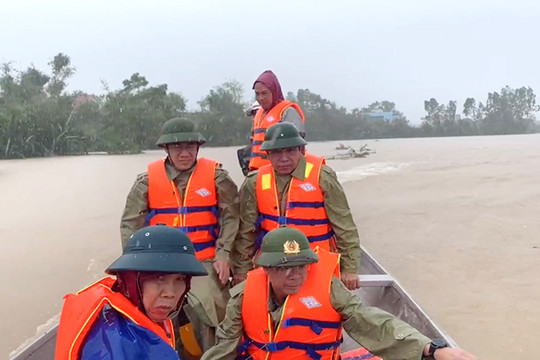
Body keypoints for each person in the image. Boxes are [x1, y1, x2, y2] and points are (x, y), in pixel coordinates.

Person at [202, 227, 478, 360]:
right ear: (265, 269)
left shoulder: (329, 287)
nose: (294, 275)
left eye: (301, 266)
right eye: (284, 268)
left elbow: (369, 321)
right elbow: (223, 348)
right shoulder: (242, 295)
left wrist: (431, 347)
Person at [120, 117, 239, 350]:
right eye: (177, 147)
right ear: (166, 149)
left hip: (204, 259)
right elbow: (129, 225)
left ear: (198, 148)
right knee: (153, 308)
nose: (184, 153)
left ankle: (211, 352)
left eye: (190, 147)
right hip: (161, 262)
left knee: (212, 310)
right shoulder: (145, 182)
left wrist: (224, 254)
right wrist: (134, 265)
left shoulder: (218, 178)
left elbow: (232, 217)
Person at [234, 122, 361, 290]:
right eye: (277, 152)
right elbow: (246, 233)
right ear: (268, 154)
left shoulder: (323, 177)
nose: (284, 158)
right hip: (273, 264)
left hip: (315, 262)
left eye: (290, 150)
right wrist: (242, 269)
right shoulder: (254, 182)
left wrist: (350, 269)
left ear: (301, 151)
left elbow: (345, 227)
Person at [55, 225, 208, 360]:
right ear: (130, 281)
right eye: (159, 278)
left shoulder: (134, 314)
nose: (170, 293)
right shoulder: (116, 343)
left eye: (180, 279)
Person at [249, 70, 306, 171]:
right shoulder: (258, 114)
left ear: (274, 92)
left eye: (264, 93)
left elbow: (298, 147)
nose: (260, 98)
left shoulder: (287, 112)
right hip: (258, 171)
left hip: (280, 172)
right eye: (257, 94)